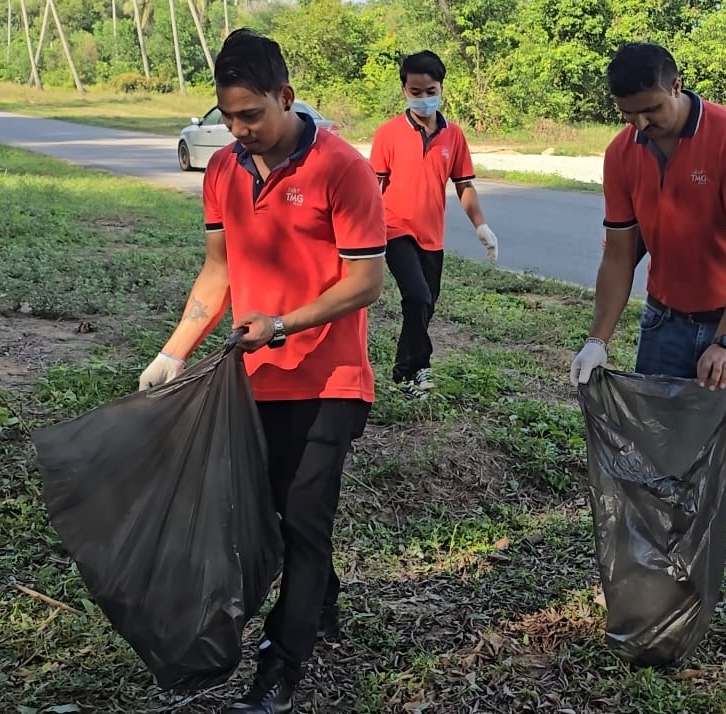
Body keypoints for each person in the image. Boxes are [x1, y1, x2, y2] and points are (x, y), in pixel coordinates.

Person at [137, 28, 387, 713]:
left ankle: (281, 665)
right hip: (255, 380)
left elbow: (365, 282)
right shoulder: (224, 170)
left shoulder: (343, 168)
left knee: (303, 522)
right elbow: (218, 269)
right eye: (228, 117)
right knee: (275, 513)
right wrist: (173, 352)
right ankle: (321, 602)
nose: (240, 130)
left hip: (330, 379)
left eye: (251, 114)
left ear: (286, 95)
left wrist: (282, 324)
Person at [569, 42, 726, 644]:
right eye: (627, 114)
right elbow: (619, 255)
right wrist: (597, 339)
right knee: (656, 457)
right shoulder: (622, 153)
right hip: (665, 322)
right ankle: (664, 582)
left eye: (650, 110)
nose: (640, 124)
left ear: (677, 86)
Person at [369, 50, 499, 397]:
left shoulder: (453, 136)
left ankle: (403, 372)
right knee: (417, 295)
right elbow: (372, 188)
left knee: (425, 305)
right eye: (416, 92)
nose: (424, 98)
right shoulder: (388, 134)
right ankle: (421, 367)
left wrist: (481, 226)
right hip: (395, 230)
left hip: (431, 236)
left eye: (431, 91)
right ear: (404, 90)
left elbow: (464, 185)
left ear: (441, 88)